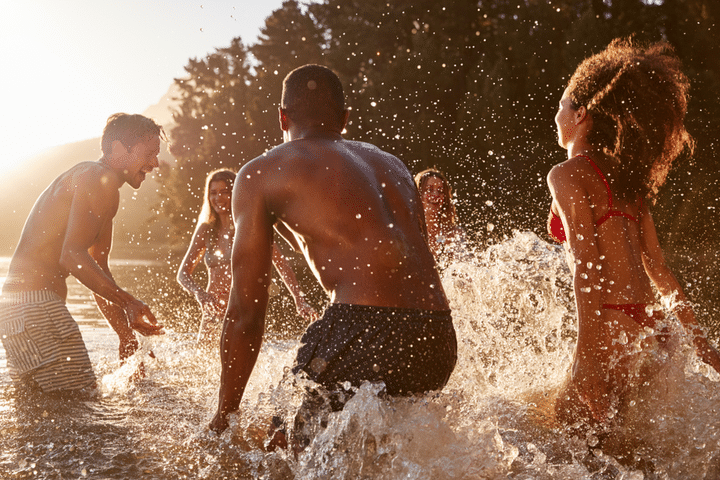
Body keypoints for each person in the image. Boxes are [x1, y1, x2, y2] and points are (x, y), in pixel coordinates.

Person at [210, 65, 457, 438]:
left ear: (282, 116)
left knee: (279, 441)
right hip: (437, 339)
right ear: (345, 119)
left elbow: (245, 314)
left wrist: (223, 417)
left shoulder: (261, 172)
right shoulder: (392, 163)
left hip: (363, 331)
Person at [546, 38, 720, 429]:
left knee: (564, 438)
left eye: (561, 106)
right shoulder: (626, 180)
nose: (555, 116)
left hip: (612, 322)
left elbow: (587, 267)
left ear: (581, 114)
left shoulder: (565, 174)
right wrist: (700, 343)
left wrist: (585, 357)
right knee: (626, 453)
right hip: (653, 326)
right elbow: (659, 270)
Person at [0, 113, 166, 394]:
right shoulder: (97, 177)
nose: (155, 163)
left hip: (18, 311)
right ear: (116, 149)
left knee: (42, 413)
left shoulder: (96, 181)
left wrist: (125, 335)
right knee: (82, 404)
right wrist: (128, 302)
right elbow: (72, 256)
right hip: (38, 309)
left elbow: (96, 266)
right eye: (149, 153)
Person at [177, 168, 318, 345]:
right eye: (213, 193)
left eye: (224, 192)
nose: (218, 198)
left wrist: (299, 300)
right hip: (212, 315)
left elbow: (282, 265)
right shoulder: (206, 230)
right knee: (202, 367)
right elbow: (183, 274)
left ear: (236, 193)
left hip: (243, 312)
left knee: (239, 367)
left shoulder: (253, 226)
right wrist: (200, 294)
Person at [414, 168, 466, 262]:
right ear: (418, 194)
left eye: (440, 191)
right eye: (429, 189)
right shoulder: (410, 231)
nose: (435, 194)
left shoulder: (454, 234)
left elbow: (465, 270)